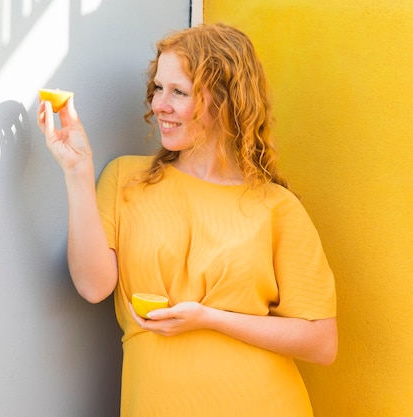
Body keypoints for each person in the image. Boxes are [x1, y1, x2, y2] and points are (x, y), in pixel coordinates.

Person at [37, 22, 337, 417]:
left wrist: (209, 319)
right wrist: (77, 170)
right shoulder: (126, 179)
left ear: (226, 100)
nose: (160, 104)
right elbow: (94, 286)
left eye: (179, 92)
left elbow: (321, 342)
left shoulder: (276, 206)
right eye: (158, 88)